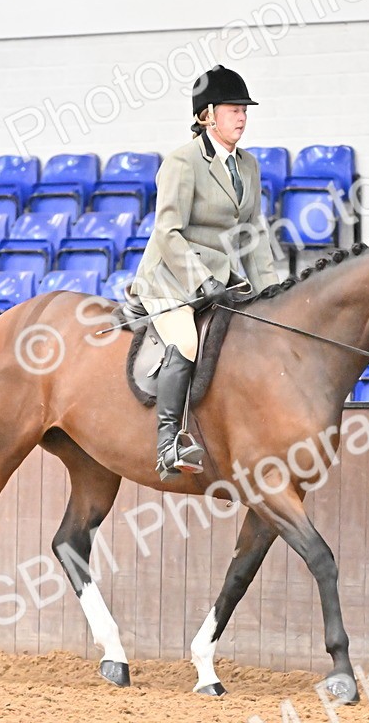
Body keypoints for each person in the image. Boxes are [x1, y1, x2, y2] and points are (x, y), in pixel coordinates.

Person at [129, 65, 281, 480]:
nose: (242, 117)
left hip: (222, 279)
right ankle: (169, 443)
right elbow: (167, 232)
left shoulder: (248, 165)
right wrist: (202, 280)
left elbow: (254, 234)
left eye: (244, 110)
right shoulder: (182, 162)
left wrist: (274, 294)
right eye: (233, 109)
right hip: (172, 278)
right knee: (186, 340)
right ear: (207, 115)